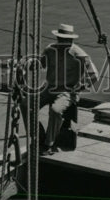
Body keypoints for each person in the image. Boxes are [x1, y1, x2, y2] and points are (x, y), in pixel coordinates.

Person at [38, 23, 99, 153]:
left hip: (67, 92)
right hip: (49, 88)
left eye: (66, 40)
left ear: (71, 40)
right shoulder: (49, 49)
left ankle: (48, 143)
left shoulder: (79, 54)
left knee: (55, 110)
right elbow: (39, 64)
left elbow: (94, 75)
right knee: (26, 105)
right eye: (60, 39)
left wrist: (80, 88)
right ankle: (37, 133)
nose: (62, 42)